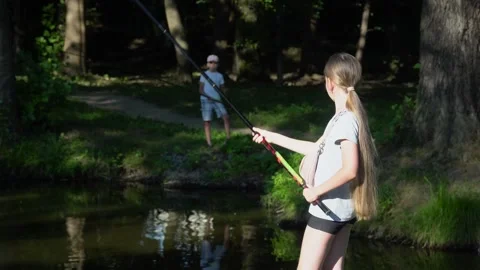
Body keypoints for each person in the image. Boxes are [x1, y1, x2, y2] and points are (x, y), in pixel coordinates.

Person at [252, 52, 377, 270]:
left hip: (328, 210)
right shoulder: (343, 118)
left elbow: (350, 170)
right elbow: (315, 149)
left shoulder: (345, 121)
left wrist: (317, 191)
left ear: (329, 83)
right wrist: (271, 138)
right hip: (343, 211)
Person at [199, 54, 230, 147]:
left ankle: (228, 138)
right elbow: (200, 90)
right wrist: (207, 96)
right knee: (207, 121)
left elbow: (222, 88)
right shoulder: (204, 75)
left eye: (215, 63)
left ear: (217, 64)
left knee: (226, 117)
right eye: (210, 62)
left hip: (217, 100)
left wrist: (225, 93)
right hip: (206, 100)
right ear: (207, 64)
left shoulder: (220, 76)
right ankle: (209, 143)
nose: (213, 64)